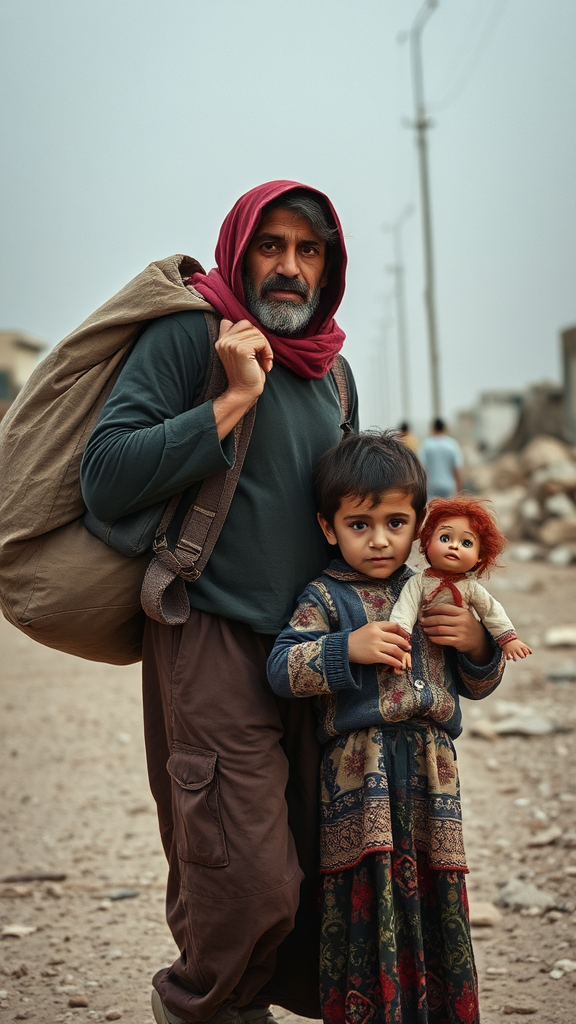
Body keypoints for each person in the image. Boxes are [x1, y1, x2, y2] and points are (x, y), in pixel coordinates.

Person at [80, 181, 358, 1024]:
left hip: (311, 653)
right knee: (242, 875)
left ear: (329, 267)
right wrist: (231, 400)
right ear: (240, 249)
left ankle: (241, 1003)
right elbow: (106, 473)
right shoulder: (187, 338)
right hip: (209, 635)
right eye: (271, 246)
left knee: (313, 866)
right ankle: (196, 1007)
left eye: (308, 251)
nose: (288, 267)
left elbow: (344, 516)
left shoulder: (334, 372)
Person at [267, 431, 505, 1024]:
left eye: (397, 522)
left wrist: (478, 644)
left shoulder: (438, 594)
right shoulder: (325, 597)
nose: (380, 540)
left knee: (434, 891)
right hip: (360, 779)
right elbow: (280, 667)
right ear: (329, 528)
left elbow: (476, 684)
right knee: (364, 900)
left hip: (432, 777)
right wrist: (347, 647)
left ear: (421, 523)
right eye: (359, 524)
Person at [390, 496, 533, 664]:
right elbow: (404, 610)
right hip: (418, 649)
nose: (454, 546)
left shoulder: (470, 588)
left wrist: (508, 639)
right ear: (427, 541)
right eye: (445, 538)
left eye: (466, 543)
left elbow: (491, 611)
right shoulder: (419, 582)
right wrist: (399, 643)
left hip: (455, 655)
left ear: (479, 556)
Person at [420, 417, 463, 497]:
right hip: (448, 486)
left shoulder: (427, 444)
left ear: (433, 428)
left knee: (433, 508)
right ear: (444, 428)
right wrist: (459, 489)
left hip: (432, 486)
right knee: (448, 509)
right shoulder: (452, 444)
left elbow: (422, 467)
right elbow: (457, 468)